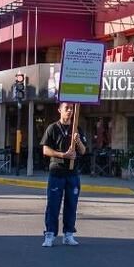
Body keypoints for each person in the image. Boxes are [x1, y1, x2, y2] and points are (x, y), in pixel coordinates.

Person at [40, 102, 87, 247]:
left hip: (72, 174)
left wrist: (78, 141)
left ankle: (68, 234)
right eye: (67, 108)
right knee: (53, 205)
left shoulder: (76, 128)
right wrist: (63, 155)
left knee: (71, 205)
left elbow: (83, 151)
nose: (69, 111)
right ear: (60, 110)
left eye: (71, 109)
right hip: (57, 172)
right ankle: (50, 234)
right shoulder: (52, 128)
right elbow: (45, 150)